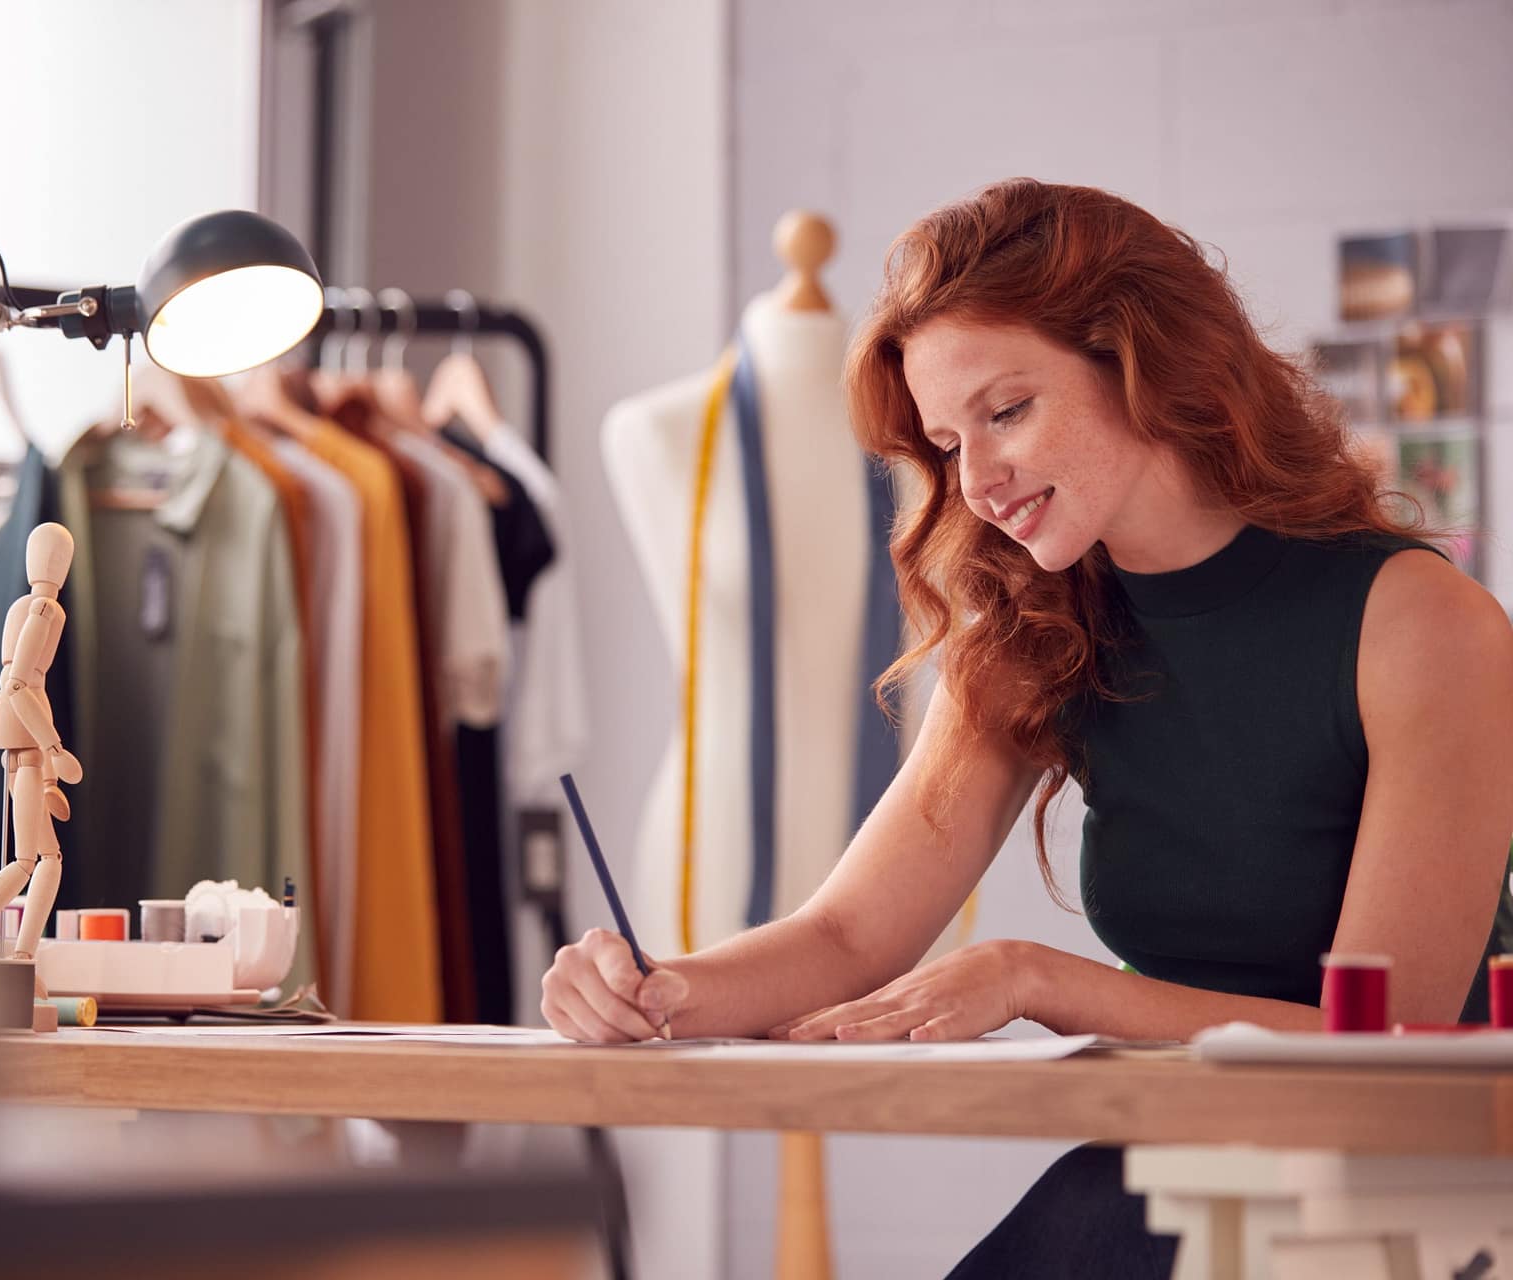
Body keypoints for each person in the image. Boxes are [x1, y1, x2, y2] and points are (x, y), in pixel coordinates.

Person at [540, 178, 1513, 1277]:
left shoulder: (1423, 624)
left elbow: (1382, 1053)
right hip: (1186, 1164)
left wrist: (1036, 977)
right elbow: (850, 938)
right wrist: (657, 987)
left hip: (1402, 1195)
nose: (978, 480)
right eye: (949, 441)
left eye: (1006, 412)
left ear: (1146, 362)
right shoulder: (1030, 625)